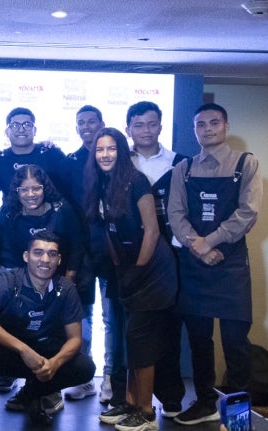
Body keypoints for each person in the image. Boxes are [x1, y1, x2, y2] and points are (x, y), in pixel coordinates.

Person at [168, 103, 262, 426]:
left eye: (214, 123)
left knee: (236, 343)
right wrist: (199, 247)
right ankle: (206, 402)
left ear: (225, 125)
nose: (207, 129)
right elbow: (175, 215)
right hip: (195, 266)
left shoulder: (245, 164)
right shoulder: (184, 169)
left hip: (231, 266)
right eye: (201, 124)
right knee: (198, 341)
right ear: (195, 130)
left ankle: (237, 416)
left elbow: (247, 214)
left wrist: (212, 241)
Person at [84, 128, 178, 431]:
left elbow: (151, 230)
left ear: (121, 151)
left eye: (111, 148)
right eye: (100, 150)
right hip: (127, 270)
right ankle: (129, 401)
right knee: (128, 340)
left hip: (153, 270)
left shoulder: (137, 181)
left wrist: (137, 269)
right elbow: (110, 232)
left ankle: (146, 412)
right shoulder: (101, 182)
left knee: (142, 342)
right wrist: (120, 269)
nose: (105, 154)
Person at [0, 231, 96, 425]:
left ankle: (29, 395)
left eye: (52, 254)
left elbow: (75, 339)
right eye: (38, 252)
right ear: (26, 256)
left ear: (59, 259)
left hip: (43, 356)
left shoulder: (66, 288)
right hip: (11, 353)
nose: (45, 259)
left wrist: (54, 363)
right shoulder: (9, 280)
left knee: (85, 367)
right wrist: (23, 349)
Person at [126, 100, 187, 419]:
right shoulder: (121, 163)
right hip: (132, 258)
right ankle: (130, 398)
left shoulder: (180, 163)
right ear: (129, 129)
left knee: (169, 327)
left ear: (161, 126)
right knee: (133, 331)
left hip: (170, 258)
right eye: (138, 124)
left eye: (151, 123)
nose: (145, 130)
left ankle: (171, 394)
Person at [59, 105, 110, 402]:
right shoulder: (70, 162)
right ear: (76, 128)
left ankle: (112, 377)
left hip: (116, 248)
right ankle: (86, 376)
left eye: (92, 121)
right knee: (85, 315)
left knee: (113, 317)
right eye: (82, 123)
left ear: (102, 123)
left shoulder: (115, 156)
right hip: (81, 250)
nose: (87, 126)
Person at [0, 164, 84, 281]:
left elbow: (76, 248)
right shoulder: (8, 212)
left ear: (44, 188)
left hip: (57, 278)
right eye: (24, 189)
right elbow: (3, 255)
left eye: (36, 188)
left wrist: (67, 283)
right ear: (17, 192)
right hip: (18, 279)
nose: (30, 194)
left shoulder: (62, 210)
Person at [0, 107, 67, 203]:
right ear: (7, 132)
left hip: (50, 216)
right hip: (12, 216)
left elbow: (68, 188)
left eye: (27, 125)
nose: (21, 129)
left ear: (35, 130)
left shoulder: (52, 154)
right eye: (15, 125)